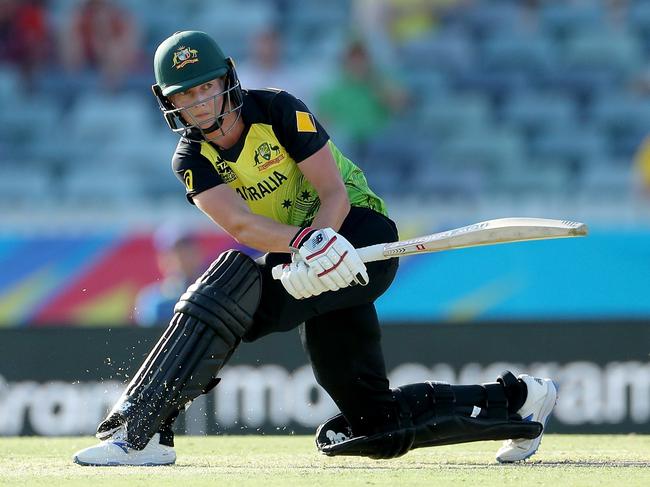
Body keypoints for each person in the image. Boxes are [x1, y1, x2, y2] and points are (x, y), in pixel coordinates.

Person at [72, 30, 557, 466]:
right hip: (301, 251)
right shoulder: (191, 159)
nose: (202, 105)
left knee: (227, 289)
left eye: (207, 88)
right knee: (373, 421)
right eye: (188, 96)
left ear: (227, 82)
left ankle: (141, 433)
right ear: (170, 103)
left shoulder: (279, 109)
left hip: (360, 234)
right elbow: (242, 224)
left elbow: (334, 194)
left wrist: (319, 239)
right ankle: (518, 401)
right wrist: (302, 246)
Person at [133, 226, 205, 327]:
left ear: (198, 254)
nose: (181, 259)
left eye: (187, 252)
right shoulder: (150, 299)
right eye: (175, 252)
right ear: (162, 259)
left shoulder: (210, 293)